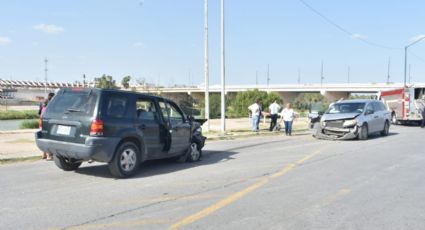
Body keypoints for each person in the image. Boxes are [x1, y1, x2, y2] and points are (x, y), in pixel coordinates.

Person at [41, 92, 55, 160]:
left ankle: (43, 154)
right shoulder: (50, 106)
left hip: (42, 122)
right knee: (49, 139)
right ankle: (49, 155)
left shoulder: (43, 106)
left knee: (44, 138)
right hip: (48, 123)